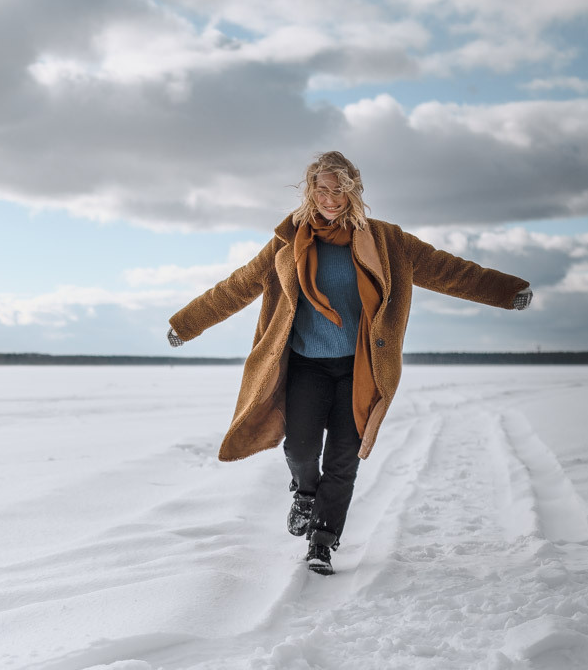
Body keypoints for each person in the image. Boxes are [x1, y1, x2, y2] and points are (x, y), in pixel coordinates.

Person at [166, 151, 532, 575]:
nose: (330, 198)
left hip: (359, 370)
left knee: (343, 459)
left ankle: (322, 543)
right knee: (300, 448)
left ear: (354, 190)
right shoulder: (288, 242)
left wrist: (506, 291)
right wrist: (185, 324)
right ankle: (305, 494)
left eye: (339, 189)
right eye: (321, 189)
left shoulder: (388, 242)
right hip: (306, 366)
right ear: (310, 191)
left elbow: (450, 270)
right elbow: (236, 287)